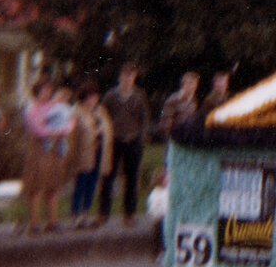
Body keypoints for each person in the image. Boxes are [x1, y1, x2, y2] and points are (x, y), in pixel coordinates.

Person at [98, 62, 150, 227]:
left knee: (132, 179)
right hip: (114, 141)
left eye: (131, 77)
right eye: (125, 76)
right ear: (120, 77)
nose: (128, 80)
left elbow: (144, 119)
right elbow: (103, 116)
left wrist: (140, 139)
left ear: (134, 78)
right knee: (108, 177)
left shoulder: (139, 96)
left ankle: (129, 214)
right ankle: (103, 213)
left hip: (133, 141)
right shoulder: (111, 96)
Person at [21, 77, 75, 234]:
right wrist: (56, 132)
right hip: (38, 150)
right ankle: (34, 223)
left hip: (56, 150)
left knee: (54, 185)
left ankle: (52, 221)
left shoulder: (56, 105)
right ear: (37, 92)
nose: (48, 93)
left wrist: (65, 129)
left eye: (50, 90)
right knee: (35, 186)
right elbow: (37, 130)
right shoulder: (31, 109)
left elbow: (71, 120)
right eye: (45, 90)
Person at [67, 80, 113, 229]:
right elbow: (74, 133)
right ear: (83, 98)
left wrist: (102, 133)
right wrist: (94, 132)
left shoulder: (101, 110)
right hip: (84, 153)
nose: (91, 100)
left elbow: (108, 128)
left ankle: (85, 215)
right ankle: (75, 215)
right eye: (88, 97)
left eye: (93, 97)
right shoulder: (77, 111)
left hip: (100, 152)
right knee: (81, 183)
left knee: (93, 184)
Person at [159, 71, 199, 137]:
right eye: (189, 83)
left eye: (194, 84)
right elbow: (166, 121)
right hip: (174, 136)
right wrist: (170, 136)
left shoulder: (194, 100)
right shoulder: (173, 99)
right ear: (183, 84)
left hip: (187, 136)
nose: (192, 87)